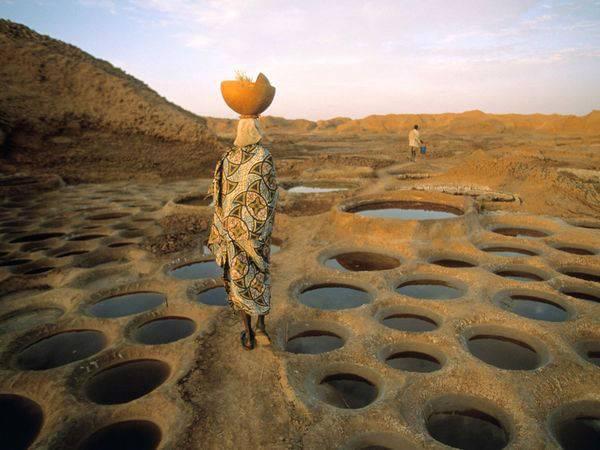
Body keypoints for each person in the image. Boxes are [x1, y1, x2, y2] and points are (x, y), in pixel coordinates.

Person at [207, 117, 278, 350]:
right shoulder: (264, 156)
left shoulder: (226, 158)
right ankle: (262, 329)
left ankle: (247, 335)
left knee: (239, 280)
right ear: (256, 131)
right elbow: (270, 194)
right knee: (259, 276)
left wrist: (225, 226)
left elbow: (219, 197)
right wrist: (260, 225)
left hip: (232, 233)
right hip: (256, 235)